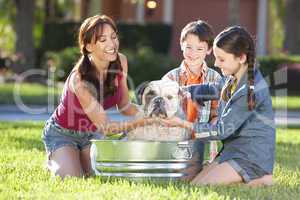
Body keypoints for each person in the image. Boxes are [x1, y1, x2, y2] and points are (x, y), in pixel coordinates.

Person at [42, 15, 156, 178]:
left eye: (113, 37)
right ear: (88, 46)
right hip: (63, 134)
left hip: (93, 134)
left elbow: (124, 106)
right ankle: (55, 157)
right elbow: (107, 128)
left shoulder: (121, 61)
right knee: (72, 180)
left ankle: (75, 158)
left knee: (102, 176)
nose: (111, 44)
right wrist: (144, 122)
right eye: (103, 40)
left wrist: (150, 112)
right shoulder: (79, 79)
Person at [161, 26, 275, 186]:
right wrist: (179, 90)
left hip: (250, 156)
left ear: (241, 58)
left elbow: (221, 130)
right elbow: (211, 88)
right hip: (232, 151)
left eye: (221, 59)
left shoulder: (249, 89)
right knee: (194, 184)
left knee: (201, 187)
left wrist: (183, 124)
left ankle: (259, 178)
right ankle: (242, 178)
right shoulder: (233, 78)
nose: (215, 63)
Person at [162, 20, 221, 174]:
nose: (193, 53)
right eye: (188, 47)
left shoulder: (215, 79)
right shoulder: (170, 79)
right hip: (175, 144)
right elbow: (162, 115)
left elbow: (216, 115)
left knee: (203, 177)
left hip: (204, 143)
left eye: (199, 48)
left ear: (208, 50)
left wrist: (209, 134)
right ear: (181, 45)